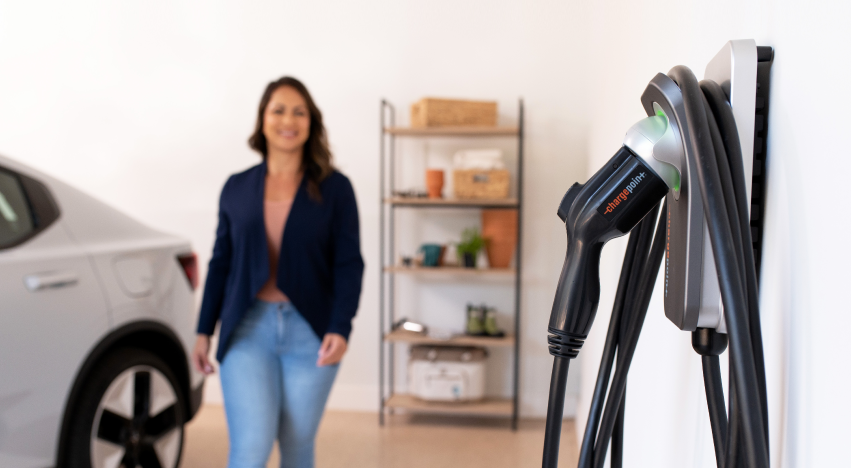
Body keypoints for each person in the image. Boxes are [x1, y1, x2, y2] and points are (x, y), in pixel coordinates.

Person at [191, 76, 364, 468]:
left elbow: (349, 264)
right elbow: (221, 263)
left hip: (312, 332)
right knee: (251, 448)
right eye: (279, 110)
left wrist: (341, 326)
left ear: (311, 123)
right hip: (247, 330)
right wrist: (204, 330)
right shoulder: (236, 187)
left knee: (298, 444)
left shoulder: (336, 189)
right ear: (262, 120)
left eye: (299, 112)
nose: (289, 120)